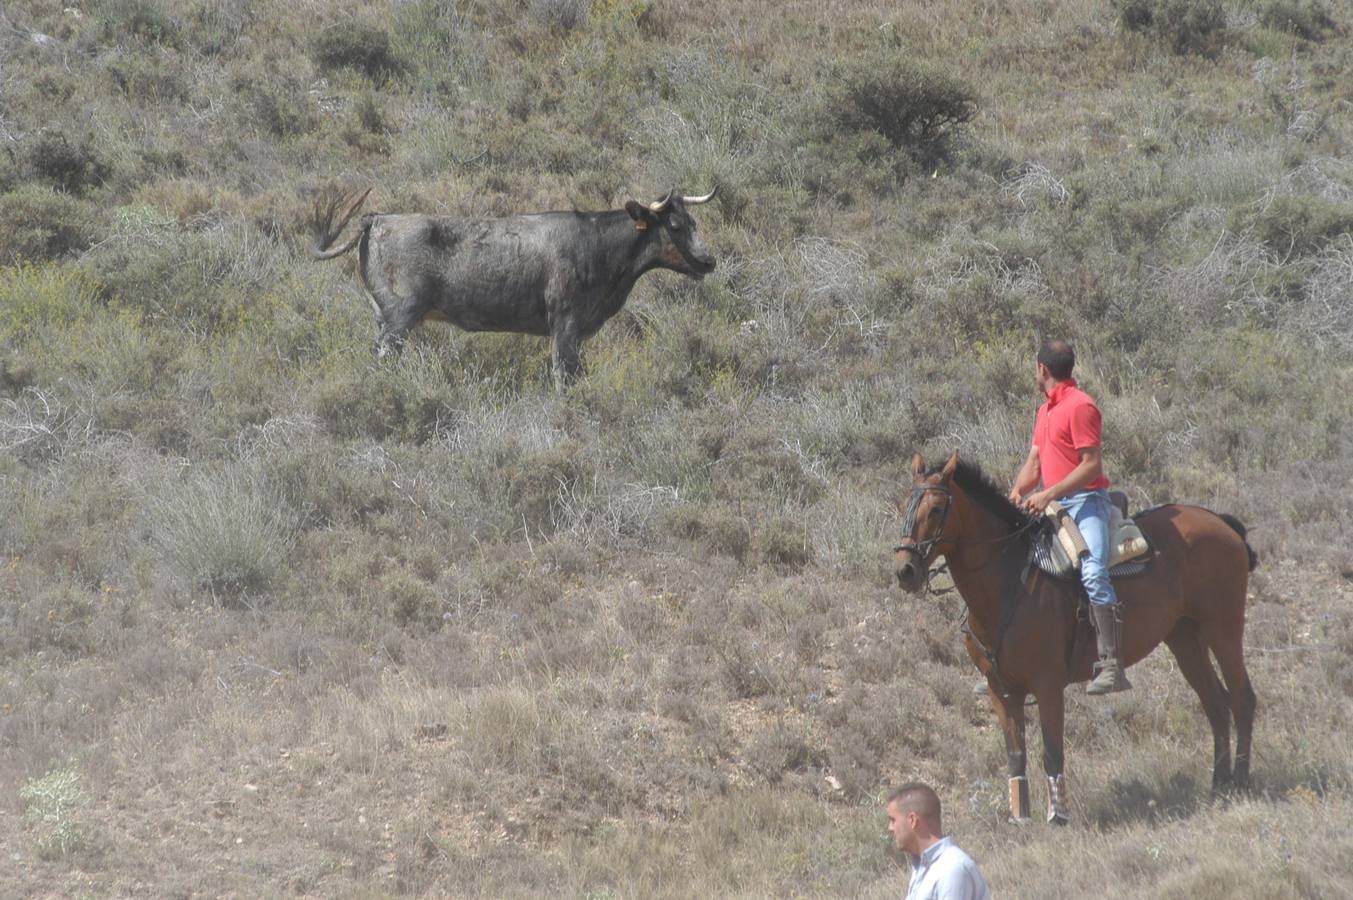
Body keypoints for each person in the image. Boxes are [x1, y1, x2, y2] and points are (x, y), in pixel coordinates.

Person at [1008, 339, 1131, 694]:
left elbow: (1091, 465)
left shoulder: (1081, 407)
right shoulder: (1045, 411)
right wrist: (1018, 491)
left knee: (1092, 571)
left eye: (1036, 368)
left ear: (1042, 370)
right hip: (1055, 505)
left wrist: (1047, 493)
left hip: (1086, 502)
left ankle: (1112, 665)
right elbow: (1034, 463)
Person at [886, 782, 991, 900]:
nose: (890, 828)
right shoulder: (923, 868)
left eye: (893, 820)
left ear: (912, 820)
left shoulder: (952, 869)